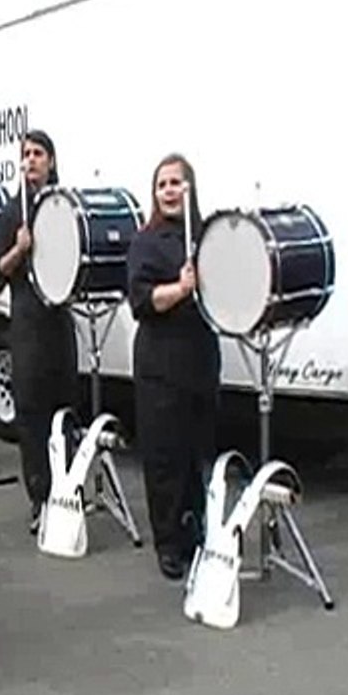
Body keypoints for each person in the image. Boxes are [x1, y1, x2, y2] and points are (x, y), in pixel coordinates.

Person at [126, 153, 220, 581]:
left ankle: (195, 531)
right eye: (162, 184)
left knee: (196, 453)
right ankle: (169, 543)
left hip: (199, 359)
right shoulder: (146, 242)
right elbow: (142, 302)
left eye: (176, 183)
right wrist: (180, 288)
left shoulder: (206, 237)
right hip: (160, 363)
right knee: (165, 458)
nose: (169, 191)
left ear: (191, 188)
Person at [0, 130, 78, 534]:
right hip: (26, 326)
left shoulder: (63, 207)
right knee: (31, 416)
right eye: (25, 154)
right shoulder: (13, 212)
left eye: (38, 154)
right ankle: (40, 497)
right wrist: (19, 249)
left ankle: (69, 492)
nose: (31, 160)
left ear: (52, 161)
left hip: (59, 322)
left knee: (66, 411)